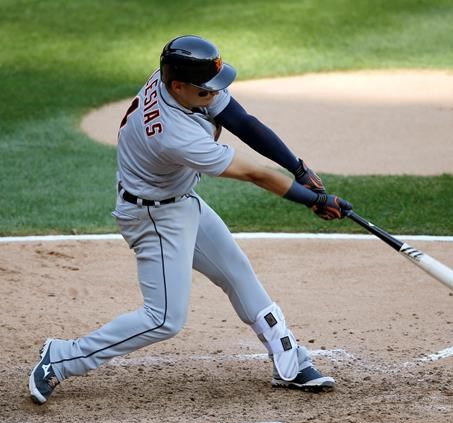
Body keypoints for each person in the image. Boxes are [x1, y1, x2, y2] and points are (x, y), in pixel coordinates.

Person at [29, 35, 352, 404]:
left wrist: (298, 167)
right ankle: (61, 357)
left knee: (236, 272)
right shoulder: (173, 134)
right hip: (152, 217)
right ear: (178, 86)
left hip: (179, 202)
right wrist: (314, 200)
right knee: (164, 318)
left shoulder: (177, 79)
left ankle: (290, 361)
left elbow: (240, 120)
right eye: (205, 92)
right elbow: (254, 174)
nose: (213, 97)